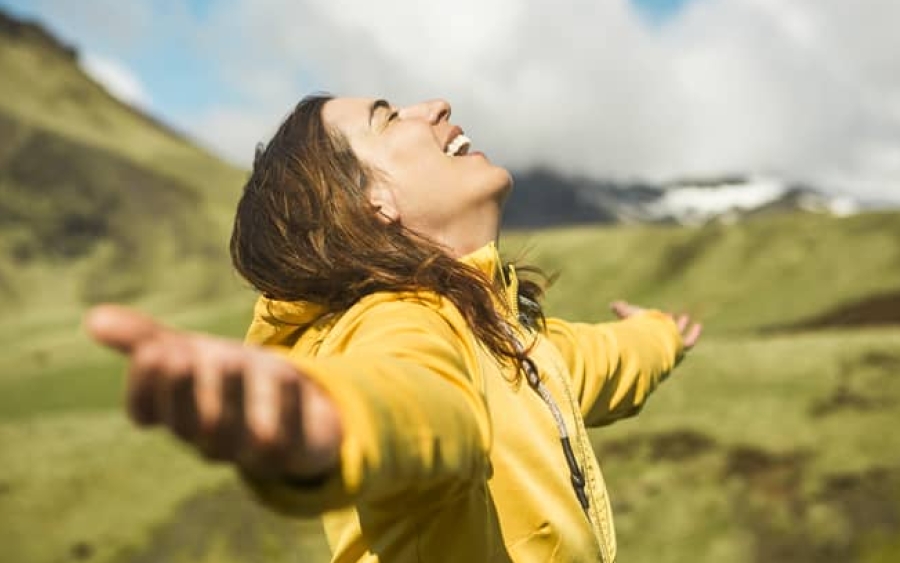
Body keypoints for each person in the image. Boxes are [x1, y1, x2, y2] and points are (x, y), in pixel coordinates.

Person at [86, 95, 702, 562]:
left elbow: (596, 360)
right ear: (369, 202)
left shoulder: (504, 331)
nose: (435, 107)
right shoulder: (401, 320)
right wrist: (330, 421)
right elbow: (414, 399)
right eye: (386, 117)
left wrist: (659, 335)